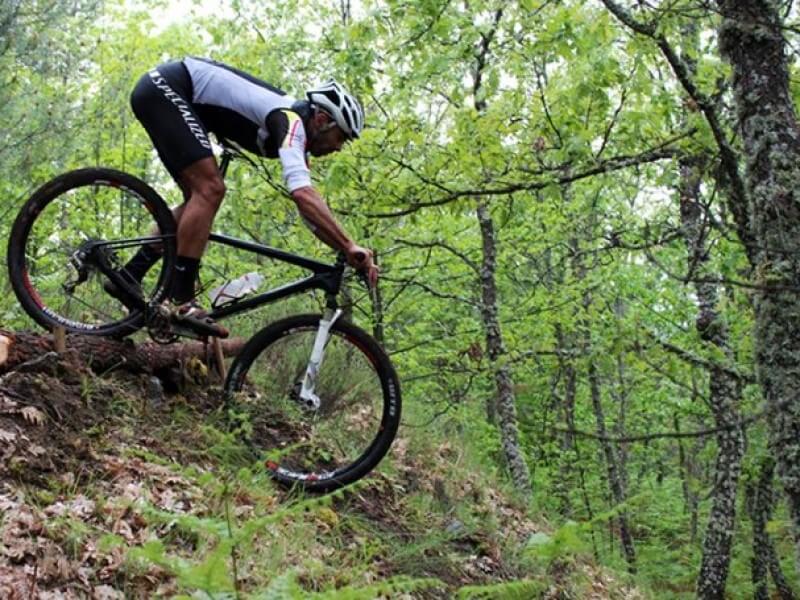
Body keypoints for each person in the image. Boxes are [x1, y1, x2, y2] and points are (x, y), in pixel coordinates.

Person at [113, 56, 378, 338]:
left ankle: (129, 275)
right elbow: (302, 194)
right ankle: (182, 300)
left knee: (200, 199)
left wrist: (346, 249)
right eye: (341, 137)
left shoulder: (293, 131)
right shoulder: (291, 123)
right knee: (210, 190)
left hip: (172, 94)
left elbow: (308, 212)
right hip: (165, 87)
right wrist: (349, 245)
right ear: (322, 120)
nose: (338, 148)